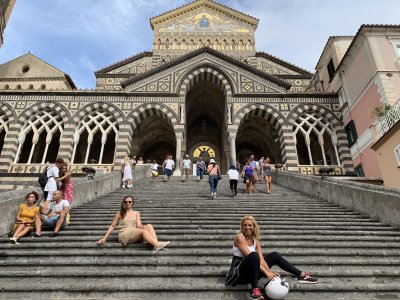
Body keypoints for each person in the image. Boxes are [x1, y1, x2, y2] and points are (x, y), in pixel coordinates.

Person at [225, 215, 319, 300]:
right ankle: (255, 291)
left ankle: (301, 275)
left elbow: (261, 260)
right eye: (245, 225)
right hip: (238, 274)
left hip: (252, 273)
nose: (247, 228)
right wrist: (266, 272)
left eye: (250, 225)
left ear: (254, 227)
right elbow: (249, 257)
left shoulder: (255, 241)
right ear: (242, 226)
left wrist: (269, 272)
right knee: (253, 255)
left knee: (274, 255)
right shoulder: (239, 237)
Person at [96, 195, 170, 251]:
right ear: (123, 203)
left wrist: (142, 227)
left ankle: (156, 244)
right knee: (143, 231)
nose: (127, 203)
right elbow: (112, 226)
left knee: (149, 226)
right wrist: (104, 238)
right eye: (126, 202)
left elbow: (138, 225)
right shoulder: (119, 213)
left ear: (132, 203)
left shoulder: (136, 213)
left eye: (129, 202)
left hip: (134, 232)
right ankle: (157, 245)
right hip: (124, 233)